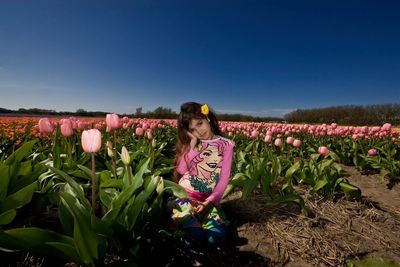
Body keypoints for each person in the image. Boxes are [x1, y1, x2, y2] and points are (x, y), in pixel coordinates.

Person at [166, 102, 234, 245]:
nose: (199, 131)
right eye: (193, 129)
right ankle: (185, 225)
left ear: (208, 119)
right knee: (194, 236)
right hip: (184, 199)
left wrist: (208, 203)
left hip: (207, 202)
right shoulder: (189, 146)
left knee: (216, 237)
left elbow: (223, 181)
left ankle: (192, 224)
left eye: (200, 123)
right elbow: (181, 171)